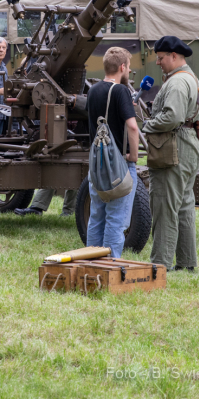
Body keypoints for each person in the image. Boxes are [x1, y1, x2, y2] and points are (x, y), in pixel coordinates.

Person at [143, 35, 199, 271]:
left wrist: (145, 126)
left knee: (164, 205)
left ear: (174, 56)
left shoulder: (177, 83)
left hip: (174, 145)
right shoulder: (190, 78)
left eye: (160, 58)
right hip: (187, 144)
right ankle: (187, 263)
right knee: (184, 205)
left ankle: (160, 264)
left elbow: (173, 117)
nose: (158, 63)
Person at [83, 47, 140, 258]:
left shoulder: (93, 90)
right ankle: (111, 267)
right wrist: (133, 156)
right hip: (119, 166)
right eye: (129, 67)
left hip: (96, 166)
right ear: (122, 67)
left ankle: (91, 263)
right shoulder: (121, 91)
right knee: (116, 221)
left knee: (96, 217)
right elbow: (132, 127)